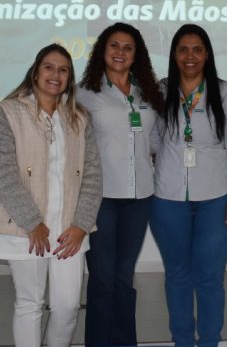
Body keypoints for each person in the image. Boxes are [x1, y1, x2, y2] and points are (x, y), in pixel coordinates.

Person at [0, 44, 102, 347]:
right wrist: (32, 222)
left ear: (69, 77)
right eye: (49, 67)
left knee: (66, 308)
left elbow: (92, 176)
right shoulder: (9, 111)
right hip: (26, 228)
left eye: (63, 69)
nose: (56, 74)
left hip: (69, 231)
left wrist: (81, 225)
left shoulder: (79, 117)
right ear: (36, 72)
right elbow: (2, 172)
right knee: (29, 303)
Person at [149, 24, 227, 347]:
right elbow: (150, 141)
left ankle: (209, 341)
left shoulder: (224, 92)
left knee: (208, 277)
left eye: (197, 50)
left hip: (217, 199)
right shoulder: (161, 92)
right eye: (183, 50)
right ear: (174, 55)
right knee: (177, 276)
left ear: (207, 54)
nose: (190, 56)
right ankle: (181, 341)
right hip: (168, 199)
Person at [77, 23, 164, 347]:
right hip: (100, 199)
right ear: (102, 50)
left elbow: (154, 140)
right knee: (102, 280)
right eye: (114, 45)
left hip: (139, 198)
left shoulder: (147, 93)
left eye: (128, 47)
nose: (120, 52)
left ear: (136, 55)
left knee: (124, 280)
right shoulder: (84, 92)